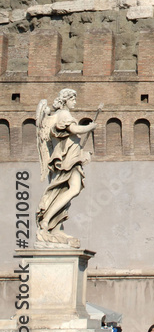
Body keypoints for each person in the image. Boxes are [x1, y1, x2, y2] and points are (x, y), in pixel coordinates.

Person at [36, 88, 99, 246]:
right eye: (73, 99)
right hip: (67, 161)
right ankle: (47, 220)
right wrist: (90, 127)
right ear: (65, 100)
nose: (75, 102)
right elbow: (74, 129)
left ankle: (54, 227)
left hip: (71, 159)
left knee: (65, 192)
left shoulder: (58, 115)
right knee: (73, 189)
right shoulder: (63, 115)